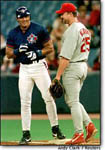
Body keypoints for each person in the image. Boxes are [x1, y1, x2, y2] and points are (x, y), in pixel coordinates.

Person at [6, 6, 65, 145]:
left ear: (29, 16)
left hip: (39, 66)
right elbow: (8, 54)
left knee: (49, 97)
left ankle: (55, 128)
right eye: (22, 17)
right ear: (17, 19)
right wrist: (17, 50)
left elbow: (50, 47)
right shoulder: (13, 33)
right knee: (25, 102)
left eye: (26, 16)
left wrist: (38, 53)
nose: (25, 19)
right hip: (24, 68)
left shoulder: (38, 29)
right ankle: (26, 133)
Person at [55, 3, 97, 145]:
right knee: (74, 101)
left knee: (72, 102)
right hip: (82, 65)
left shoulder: (72, 30)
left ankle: (78, 133)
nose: (61, 16)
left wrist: (57, 76)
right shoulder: (84, 29)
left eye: (63, 13)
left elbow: (65, 57)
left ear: (71, 13)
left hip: (73, 67)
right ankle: (89, 125)